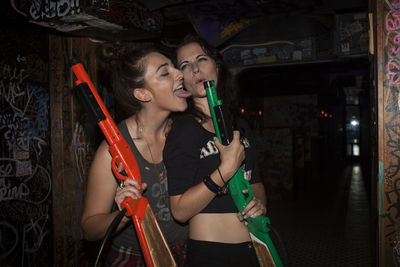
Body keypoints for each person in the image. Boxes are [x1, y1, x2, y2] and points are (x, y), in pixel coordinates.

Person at [80, 47, 191, 267]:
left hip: (185, 251)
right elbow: (89, 229)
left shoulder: (185, 134)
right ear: (142, 94)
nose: (179, 73)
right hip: (134, 257)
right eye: (164, 72)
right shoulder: (113, 151)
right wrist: (124, 213)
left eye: (174, 66)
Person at [163, 34, 267, 267]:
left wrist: (259, 203)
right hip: (212, 253)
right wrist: (224, 171)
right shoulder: (184, 130)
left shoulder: (240, 125)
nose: (196, 69)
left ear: (217, 67)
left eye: (202, 59)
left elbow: (256, 182)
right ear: (182, 80)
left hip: (255, 245)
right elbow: (179, 210)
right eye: (185, 65)